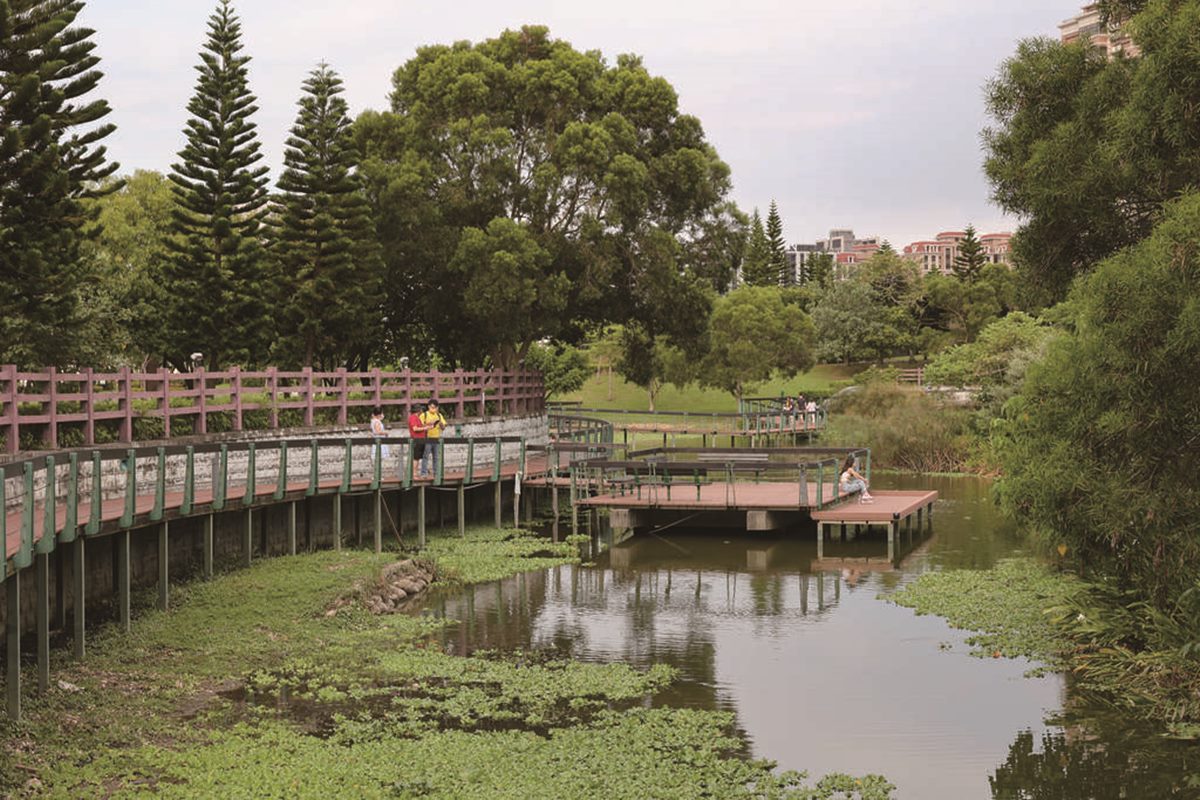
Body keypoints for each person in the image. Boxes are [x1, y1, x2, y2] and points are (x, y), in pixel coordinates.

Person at [419, 398, 448, 477]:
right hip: (427, 438)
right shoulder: (424, 415)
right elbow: (419, 426)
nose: (433, 409)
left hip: (436, 438)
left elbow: (443, 427)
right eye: (432, 407)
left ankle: (436, 473)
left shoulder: (439, 415)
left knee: (436, 457)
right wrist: (429, 424)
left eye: (435, 407)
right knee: (425, 456)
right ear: (428, 407)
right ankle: (423, 473)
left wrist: (441, 424)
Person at [407, 403, 428, 478]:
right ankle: (414, 474)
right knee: (415, 458)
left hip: (420, 440)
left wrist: (426, 426)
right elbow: (415, 428)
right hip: (417, 439)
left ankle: (415, 473)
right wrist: (425, 428)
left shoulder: (417, 417)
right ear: (418, 410)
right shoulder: (413, 417)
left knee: (417, 457)